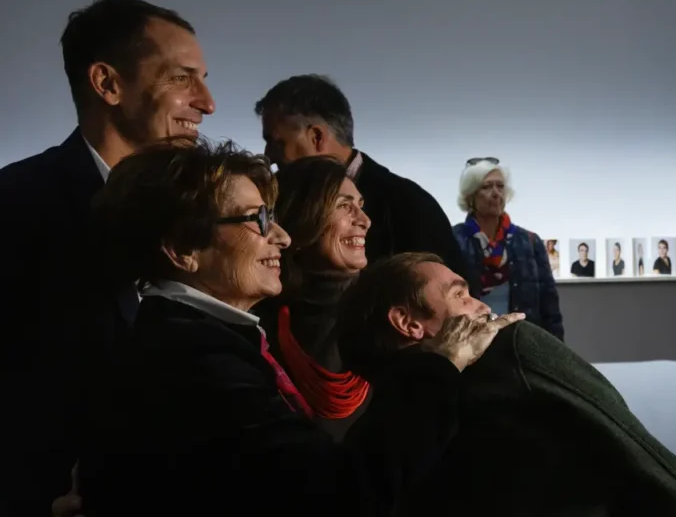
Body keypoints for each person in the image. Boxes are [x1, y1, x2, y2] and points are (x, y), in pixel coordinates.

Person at [81, 139, 519, 516]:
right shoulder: (195, 360)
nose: (282, 237)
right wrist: (442, 363)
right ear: (182, 249)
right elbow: (344, 494)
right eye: (257, 220)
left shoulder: (199, 342)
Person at [0, 0, 214, 516]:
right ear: (107, 84)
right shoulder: (16, 204)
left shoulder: (208, 210)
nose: (207, 102)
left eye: (204, 79)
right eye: (181, 77)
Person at [335, 252, 676, 517]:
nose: (483, 306)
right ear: (408, 323)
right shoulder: (513, 348)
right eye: (459, 295)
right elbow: (638, 455)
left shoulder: (378, 433)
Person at [255, 74, 474, 295]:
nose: (268, 156)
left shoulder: (410, 206)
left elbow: (452, 298)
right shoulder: (275, 200)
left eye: (276, 142)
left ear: (317, 137)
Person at [252, 155, 373, 442]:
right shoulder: (258, 324)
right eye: (344, 206)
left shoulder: (391, 310)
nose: (365, 221)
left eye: (360, 206)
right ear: (304, 214)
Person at [452, 158, 564, 340]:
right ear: (471, 196)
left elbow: (549, 304)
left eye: (500, 186)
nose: (496, 193)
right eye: (487, 187)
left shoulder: (529, 241)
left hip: (520, 342)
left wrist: (557, 348)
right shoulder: (454, 240)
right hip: (470, 342)